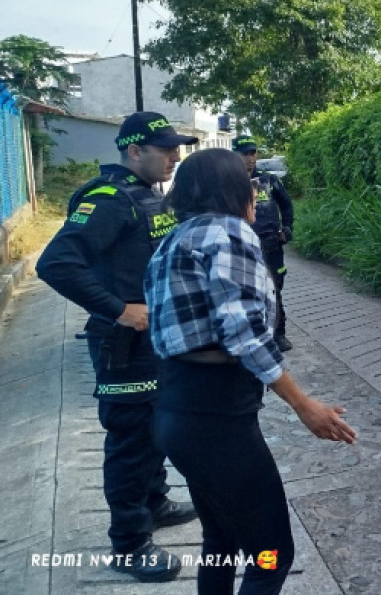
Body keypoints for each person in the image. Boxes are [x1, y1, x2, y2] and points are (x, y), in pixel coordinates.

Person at [144, 148, 356, 595]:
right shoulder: (228, 233)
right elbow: (243, 333)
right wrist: (304, 405)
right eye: (249, 186)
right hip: (217, 420)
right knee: (271, 555)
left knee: (220, 541)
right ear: (234, 191)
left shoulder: (174, 239)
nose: (256, 195)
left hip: (178, 409)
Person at [36, 111, 199, 583]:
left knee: (154, 430)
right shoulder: (109, 199)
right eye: (165, 149)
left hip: (154, 339)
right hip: (125, 344)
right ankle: (129, 544)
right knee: (131, 441)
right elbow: (56, 264)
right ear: (134, 150)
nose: (175, 156)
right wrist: (117, 309)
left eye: (176, 148)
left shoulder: (147, 194)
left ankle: (155, 502)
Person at [233, 134, 295, 352]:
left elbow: (286, 205)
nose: (250, 158)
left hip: (270, 246)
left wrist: (287, 228)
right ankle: (252, 333)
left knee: (274, 289)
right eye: (245, 154)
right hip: (241, 247)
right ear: (235, 155)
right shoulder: (229, 182)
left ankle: (279, 334)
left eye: (253, 153)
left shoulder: (269, 180)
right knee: (245, 290)